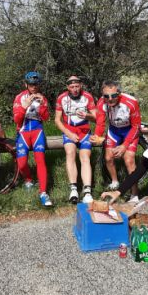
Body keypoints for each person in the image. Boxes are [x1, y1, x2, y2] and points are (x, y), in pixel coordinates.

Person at [90, 80, 141, 202]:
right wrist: (97, 136)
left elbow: (136, 127)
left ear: (119, 93)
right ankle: (115, 182)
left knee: (129, 160)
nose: (110, 99)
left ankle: (134, 193)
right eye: (106, 96)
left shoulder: (131, 102)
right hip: (114, 130)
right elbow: (100, 122)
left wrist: (124, 145)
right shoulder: (102, 102)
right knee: (108, 158)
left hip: (130, 130)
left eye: (113, 95)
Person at [54, 75, 97, 204]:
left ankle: (87, 191)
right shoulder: (62, 98)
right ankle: (73, 189)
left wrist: (87, 115)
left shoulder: (87, 96)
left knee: (85, 157)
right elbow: (57, 120)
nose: (75, 89)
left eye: (77, 86)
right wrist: (69, 133)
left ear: (81, 85)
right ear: (68, 87)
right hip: (69, 131)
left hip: (84, 131)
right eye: (72, 87)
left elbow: (96, 117)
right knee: (70, 153)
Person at [13, 71, 52, 207]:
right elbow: (16, 120)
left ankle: (43, 192)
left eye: (36, 84)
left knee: (40, 161)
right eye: (31, 84)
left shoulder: (42, 98)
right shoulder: (19, 97)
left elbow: (46, 118)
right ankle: (28, 180)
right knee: (22, 164)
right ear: (26, 85)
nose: (34, 87)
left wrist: (42, 106)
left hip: (37, 132)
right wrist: (24, 106)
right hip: (23, 132)